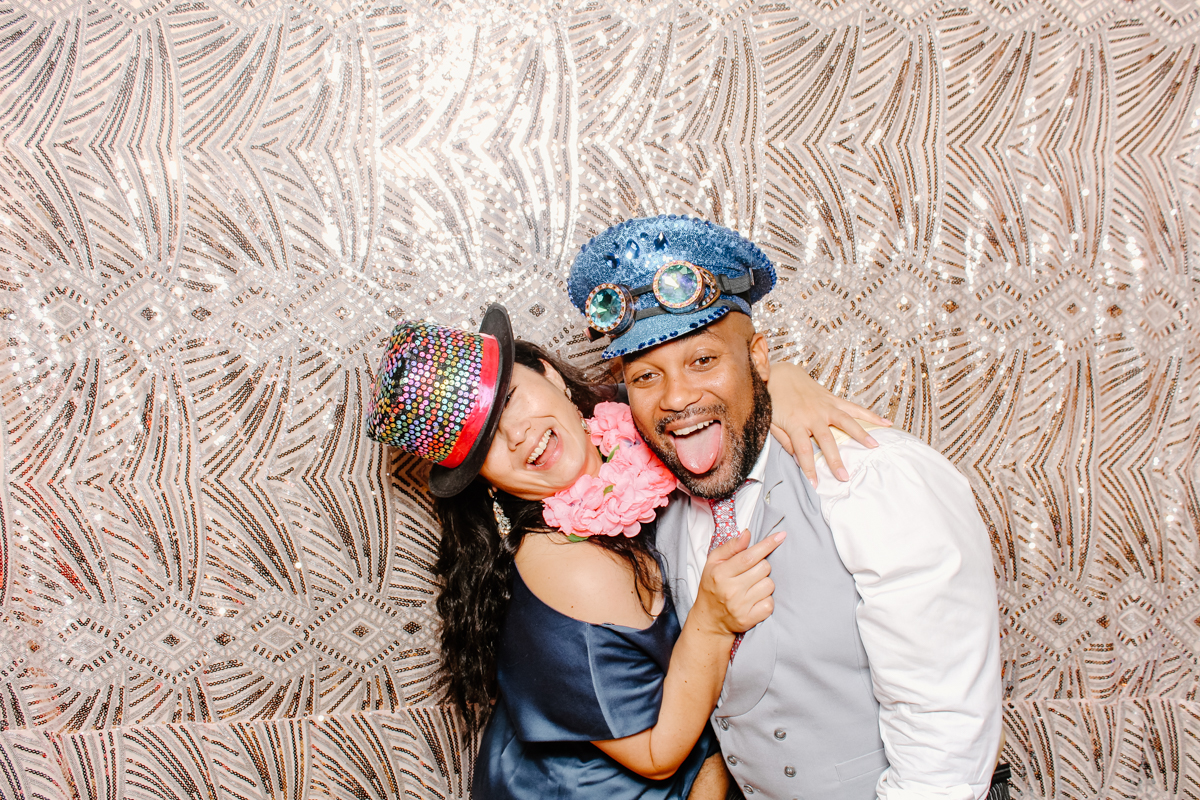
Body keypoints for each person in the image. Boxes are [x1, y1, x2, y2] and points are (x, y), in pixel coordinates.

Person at [364, 307, 885, 800]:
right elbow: (657, 754)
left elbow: (707, 388)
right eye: (486, 443)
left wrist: (782, 381)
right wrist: (711, 621)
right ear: (483, 476)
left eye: (509, 402)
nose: (519, 435)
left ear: (548, 373)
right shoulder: (566, 564)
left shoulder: (621, 426)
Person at [568, 215, 1006, 800]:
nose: (676, 399)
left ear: (759, 359)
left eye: (703, 361)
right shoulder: (655, 504)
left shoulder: (872, 479)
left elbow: (945, 738)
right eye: (647, 376)